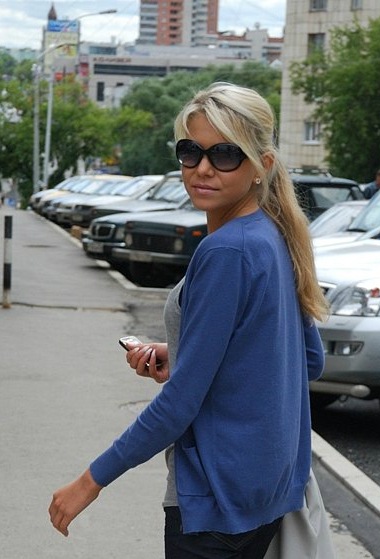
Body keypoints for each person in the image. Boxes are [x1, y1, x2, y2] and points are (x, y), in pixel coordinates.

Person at [49, 82, 329, 558]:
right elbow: (308, 359)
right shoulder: (272, 235)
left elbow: (180, 404)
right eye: (190, 151)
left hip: (218, 498)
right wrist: (180, 353)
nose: (202, 168)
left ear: (262, 166)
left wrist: (90, 481)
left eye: (225, 154)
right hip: (266, 489)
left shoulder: (227, 251)